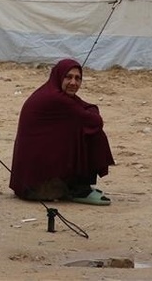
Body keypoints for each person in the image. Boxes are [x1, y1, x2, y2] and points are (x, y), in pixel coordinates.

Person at [9, 58, 115, 205]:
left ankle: (76, 185)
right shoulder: (56, 98)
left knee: (80, 128)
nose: (73, 83)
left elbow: (87, 108)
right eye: (68, 77)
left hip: (25, 182)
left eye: (78, 78)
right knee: (92, 134)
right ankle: (79, 189)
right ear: (59, 76)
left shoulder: (52, 91)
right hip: (36, 186)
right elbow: (95, 120)